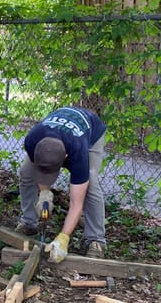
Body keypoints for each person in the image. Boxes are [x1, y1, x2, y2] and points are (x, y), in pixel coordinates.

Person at [16, 106, 107, 262]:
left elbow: (76, 202)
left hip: (91, 132)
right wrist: (44, 194)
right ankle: (29, 222)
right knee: (26, 172)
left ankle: (95, 239)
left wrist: (63, 238)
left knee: (91, 185)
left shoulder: (78, 153)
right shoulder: (32, 140)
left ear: (66, 157)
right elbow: (40, 169)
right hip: (58, 130)